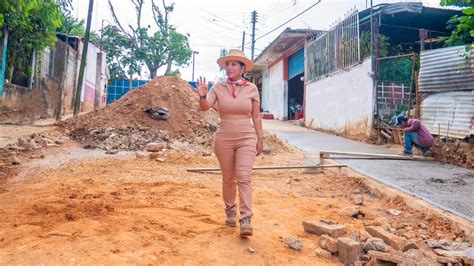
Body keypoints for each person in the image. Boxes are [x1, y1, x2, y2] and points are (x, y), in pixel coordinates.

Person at [196, 49, 264, 237]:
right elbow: (205, 107)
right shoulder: (218, 87)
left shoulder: (252, 89)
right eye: (227, 64)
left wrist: (260, 138)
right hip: (224, 137)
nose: (229, 68)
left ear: (242, 68)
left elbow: (256, 116)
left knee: (244, 176)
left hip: (246, 137)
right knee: (228, 179)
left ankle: (246, 219)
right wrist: (202, 95)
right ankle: (230, 211)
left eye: (234, 64)